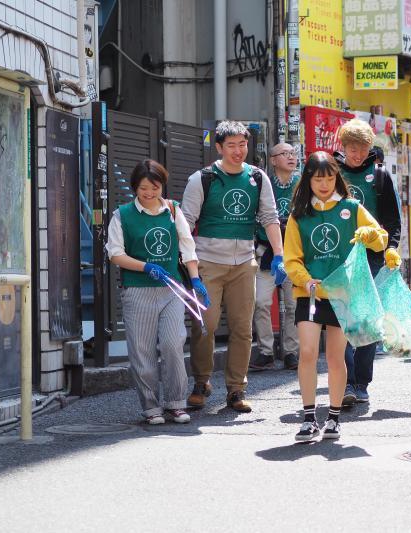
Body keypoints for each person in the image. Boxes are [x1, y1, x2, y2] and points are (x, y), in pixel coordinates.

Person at [284, 152, 388, 441]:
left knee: (335, 356)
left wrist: (369, 234)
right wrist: (306, 281)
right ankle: (307, 417)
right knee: (306, 352)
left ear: (336, 178)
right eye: (319, 179)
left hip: (343, 293)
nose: (325, 184)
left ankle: (333, 418)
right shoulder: (298, 215)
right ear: (308, 180)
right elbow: (291, 259)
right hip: (310, 293)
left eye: (330, 178)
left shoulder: (351, 208)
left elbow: (381, 238)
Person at [182, 121, 284, 413]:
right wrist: (189, 266)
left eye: (242, 144)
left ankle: (236, 389)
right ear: (218, 147)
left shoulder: (258, 178)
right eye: (231, 145)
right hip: (208, 264)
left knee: (242, 328)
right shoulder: (202, 179)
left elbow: (270, 217)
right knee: (206, 325)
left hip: (244, 264)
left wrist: (278, 254)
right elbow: (185, 223)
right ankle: (201, 382)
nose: (238, 151)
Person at [106, 159, 208, 425]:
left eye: (154, 187)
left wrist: (195, 281)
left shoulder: (173, 210)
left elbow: (187, 248)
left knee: (174, 343)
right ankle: (151, 406)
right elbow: (115, 254)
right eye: (143, 189)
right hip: (137, 290)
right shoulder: (123, 215)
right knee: (142, 351)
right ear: (134, 188)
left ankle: (176, 403)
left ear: (162, 185)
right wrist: (145, 266)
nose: (149, 193)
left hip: (171, 289)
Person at [333, 119, 402, 406]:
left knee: (366, 320)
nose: (357, 153)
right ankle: (346, 381)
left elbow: (393, 220)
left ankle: (362, 382)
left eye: (362, 148)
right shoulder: (332, 173)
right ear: (343, 146)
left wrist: (392, 249)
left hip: (372, 257)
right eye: (351, 147)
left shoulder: (381, 176)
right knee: (342, 321)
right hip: (338, 256)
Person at [251, 142, 301, 371]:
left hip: (294, 253)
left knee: (293, 305)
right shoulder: (263, 183)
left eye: (293, 153)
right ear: (273, 160)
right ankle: (265, 351)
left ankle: (291, 352)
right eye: (285, 154)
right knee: (260, 302)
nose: (291, 157)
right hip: (266, 253)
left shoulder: (302, 184)